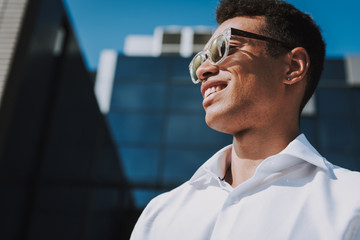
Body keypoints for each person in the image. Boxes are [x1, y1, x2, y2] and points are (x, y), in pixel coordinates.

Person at [130, 0, 360, 239]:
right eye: (200, 60)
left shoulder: (352, 201)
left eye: (223, 48)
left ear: (292, 67)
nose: (202, 71)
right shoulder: (160, 214)